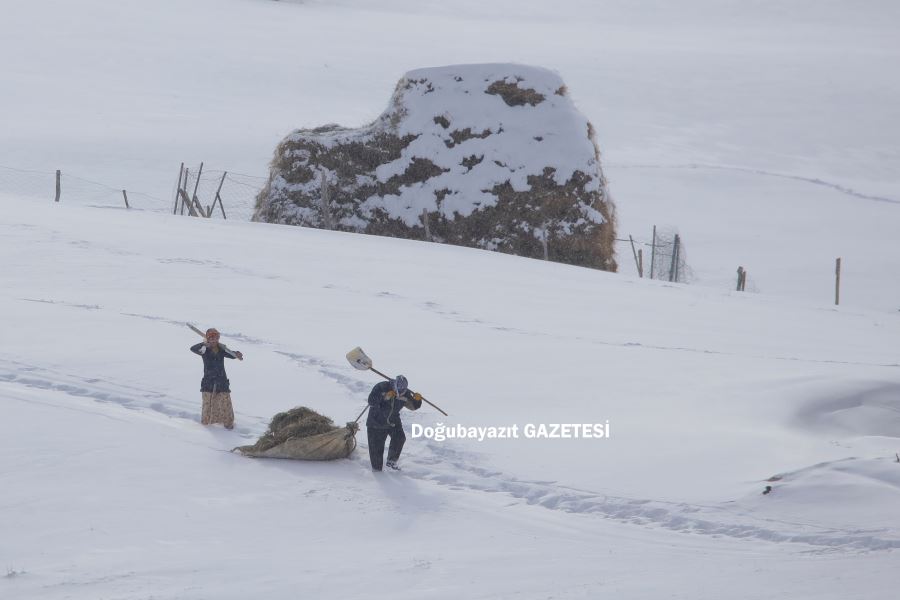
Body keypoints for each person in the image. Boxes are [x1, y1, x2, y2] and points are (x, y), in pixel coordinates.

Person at [189, 328, 243, 430]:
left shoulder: (221, 349)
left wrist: (237, 354)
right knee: (207, 405)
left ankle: (228, 425)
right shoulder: (204, 350)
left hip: (221, 381)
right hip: (208, 382)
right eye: (212, 338)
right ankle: (206, 427)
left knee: (225, 404)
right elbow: (192, 348)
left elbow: (232, 355)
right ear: (208, 339)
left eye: (216, 338)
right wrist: (204, 344)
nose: (214, 340)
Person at [366, 375, 422, 471]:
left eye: (402, 391)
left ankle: (392, 460)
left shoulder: (405, 393)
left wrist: (417, 400)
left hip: (393, 421)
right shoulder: (381, 387)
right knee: (377, 452)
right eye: (398, 391)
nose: (400, 394)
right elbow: (371, 401)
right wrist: (384, 396)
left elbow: (412, 407)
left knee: (399, 438)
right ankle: (377, 471)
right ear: (394, 385)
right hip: (376, 422)